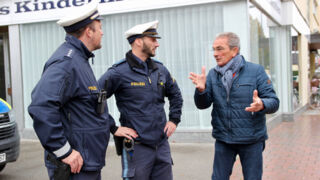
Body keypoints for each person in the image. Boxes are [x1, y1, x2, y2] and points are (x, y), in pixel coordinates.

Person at [28, 1, 110, 179]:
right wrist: (64, 151)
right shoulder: (67, 63)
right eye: (99, 28)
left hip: (87, 162)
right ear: (89, 31)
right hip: (75, 166)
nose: (103, 32)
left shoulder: (79, 60)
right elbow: (41, 106)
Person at [98, 20, 183, 180]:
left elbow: (176, 94)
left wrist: (174, 120)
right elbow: (95, 97)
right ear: (138, 41)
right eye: (153, 39)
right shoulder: (118, 72)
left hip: (161, 146)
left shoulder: (160, 69)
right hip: (137, 149)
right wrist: (113, 128)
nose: (157, 44)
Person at [189, 32, 279, 180]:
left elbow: (274, 102)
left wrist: (262, 104)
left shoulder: (256, 71)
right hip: (224, 140)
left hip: (251, 140)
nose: (215, 54)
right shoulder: (212, 75)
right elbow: (203, 105)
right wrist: (201, 90)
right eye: (214, 50)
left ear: (234, 50)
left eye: (220, 49)